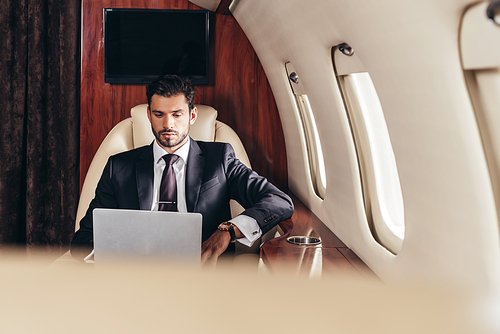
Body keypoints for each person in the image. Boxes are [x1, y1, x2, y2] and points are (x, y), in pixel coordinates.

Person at [71, 75, 294, 265]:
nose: (168, 124)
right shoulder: (118, 167)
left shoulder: (220, 160)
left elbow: (278, 201)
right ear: (149, 115)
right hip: (136, 275)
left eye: (177, 114)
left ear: (192, 116)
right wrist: (120, 258)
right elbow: (83, 239)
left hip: (202, 273)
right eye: (159, 115)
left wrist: (228, 230)